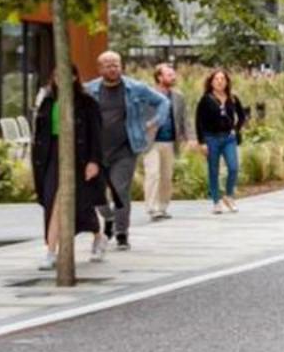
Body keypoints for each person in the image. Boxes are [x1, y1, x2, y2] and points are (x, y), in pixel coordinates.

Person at [86, 50, 164, 252]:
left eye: (116, 64)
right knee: (95, 193)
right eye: (108, 65)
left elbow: (163, 101)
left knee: (120, 191)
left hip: (126, 149)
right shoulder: (90, 90)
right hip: (97, 151)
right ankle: (109, 217)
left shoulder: (134, 88)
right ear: (100, 68)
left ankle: (122, 233)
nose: (113, 68)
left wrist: (155, 122)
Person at [31, 72, 103, 269]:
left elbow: (96, 134)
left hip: (77, 154)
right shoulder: (47, 101)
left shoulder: (87, 102)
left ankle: (96, 237)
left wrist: (94, 160)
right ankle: (51, 250)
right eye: (56, 76)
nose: (60, 79)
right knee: (52, 200)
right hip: (51, 155)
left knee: (78, 202)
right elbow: (39, 133)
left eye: (65, 75)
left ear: (74, 78)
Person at [194, 67, 248, 214]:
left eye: (222, 79)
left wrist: (235, 129)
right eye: (216, 79)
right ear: (211, 82)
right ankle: (216, 201)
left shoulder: (233, 98)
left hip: (228, 138)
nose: (220, 81)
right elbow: (199, 122)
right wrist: (202, 142)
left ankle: (229, 196)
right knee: (213, 169)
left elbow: (242, 116)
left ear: (227, 82)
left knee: (233, 167)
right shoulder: (205, 100)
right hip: (211, 138)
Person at [142, 63, 184, 222]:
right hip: (151, 141)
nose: (173, 77)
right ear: (159, 77)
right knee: (153, 174)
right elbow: (140, 115)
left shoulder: (178, 96)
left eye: (173, 74)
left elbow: (182, 119)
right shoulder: (148, 95)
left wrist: (189, 138)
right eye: (169, 74)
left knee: (166, 176)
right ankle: (152, 208)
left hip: (170, 141)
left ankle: (162, 207)